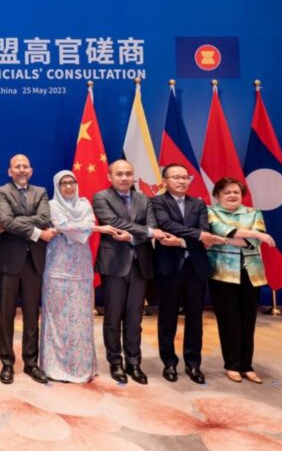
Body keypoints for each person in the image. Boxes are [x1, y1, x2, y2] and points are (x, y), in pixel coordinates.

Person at [40, 170, 128, 383]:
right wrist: (95, 228)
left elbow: (74, 227)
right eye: (63, 183)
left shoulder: (84, 203)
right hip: (57, 267)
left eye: (72, 182)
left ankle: (80, 366)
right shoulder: (52, 205)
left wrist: (83, 228)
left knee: (80, 317)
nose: (68, 186)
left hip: (81, 268)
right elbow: (63, 225)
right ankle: (55, 367)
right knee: (57, 316)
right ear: (57, 186)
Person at [93, 159, 168, 385]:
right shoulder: (101, 197)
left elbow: (152, 226)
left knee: (135, 317)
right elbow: (113, 222)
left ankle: (134, 362)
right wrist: (147, 232)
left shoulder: (143, 198)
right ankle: (115, 362)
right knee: (113, 317)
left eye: (128, 173)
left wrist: (135, 236)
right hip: (114, 265)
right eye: (119, 174)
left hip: (139, 264)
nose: (124, 178)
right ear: (110, 177)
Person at [152, 164, 225, 385]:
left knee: (195, 318)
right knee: (168, 317)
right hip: (168, 268)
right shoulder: (157, 202)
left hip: (195, 268)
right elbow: (166, 225)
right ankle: (169, 362)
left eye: (185, 177)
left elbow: (206, 231)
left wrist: (183, 241)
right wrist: (197, 236)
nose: (181, 181)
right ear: (165, 180)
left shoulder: (199, 204)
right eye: (176, 177)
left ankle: (193, 364)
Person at [207, 177, 274, 384]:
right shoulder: (210, 212)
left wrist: (228, 240)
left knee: (248, 320)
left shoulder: (254, 213)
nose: (232, 195)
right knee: (228, 320)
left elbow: (252, 242)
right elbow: (220, 230)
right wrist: (255, 234)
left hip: (251, 273)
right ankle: (232, 365)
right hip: (222, 272)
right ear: (217, 195)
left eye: (236, 192)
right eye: (227, 192)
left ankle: (247, 365)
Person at [0, 154, 55, 385]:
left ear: (31, 170)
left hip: (34, 262)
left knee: (32, 315)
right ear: (10, 171)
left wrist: (17, 221)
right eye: (17, 167)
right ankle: (7, 363)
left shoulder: (41, 192)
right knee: (6, 315)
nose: (21, 170)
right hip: (9, 262)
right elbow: (5, 220)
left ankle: (31, 363)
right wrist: (37, 231)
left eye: (25, 166)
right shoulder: (1, 191)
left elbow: (45, 217)